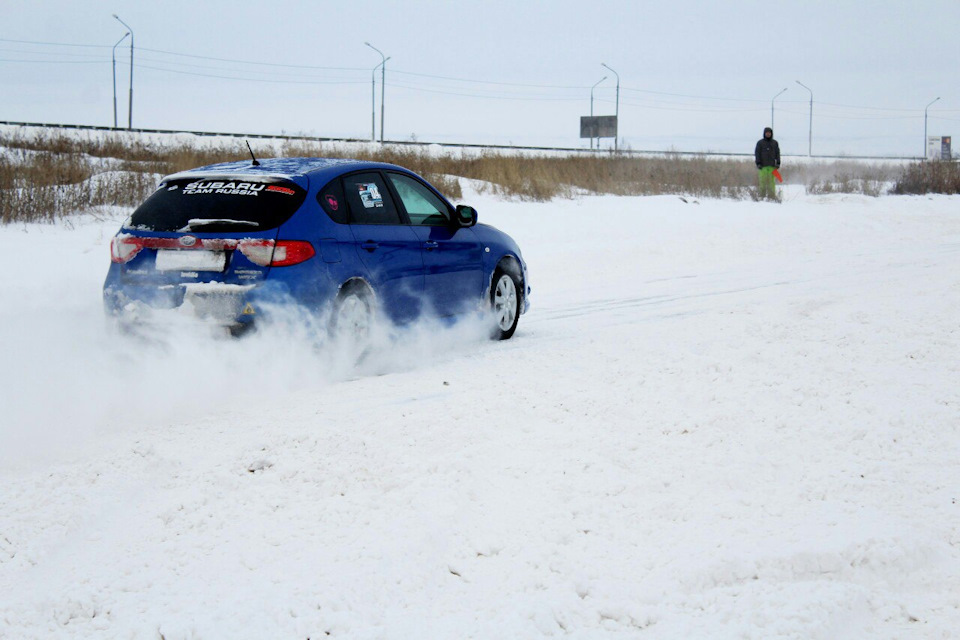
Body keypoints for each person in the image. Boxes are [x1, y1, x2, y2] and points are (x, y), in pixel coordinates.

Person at [755, 127, 780, 200]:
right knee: (762, 181)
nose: (768, 134)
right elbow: (757, 153)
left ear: (771, 133)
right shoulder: (760, 143)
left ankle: (771, 196)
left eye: (769, 133)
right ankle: (761, 196)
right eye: (767, 133)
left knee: (771, 182)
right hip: (762, 167)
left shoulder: (775, 143)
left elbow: (777, 153)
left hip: (772, 166)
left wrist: (778, 162)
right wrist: (758, 163)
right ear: (764, 133)